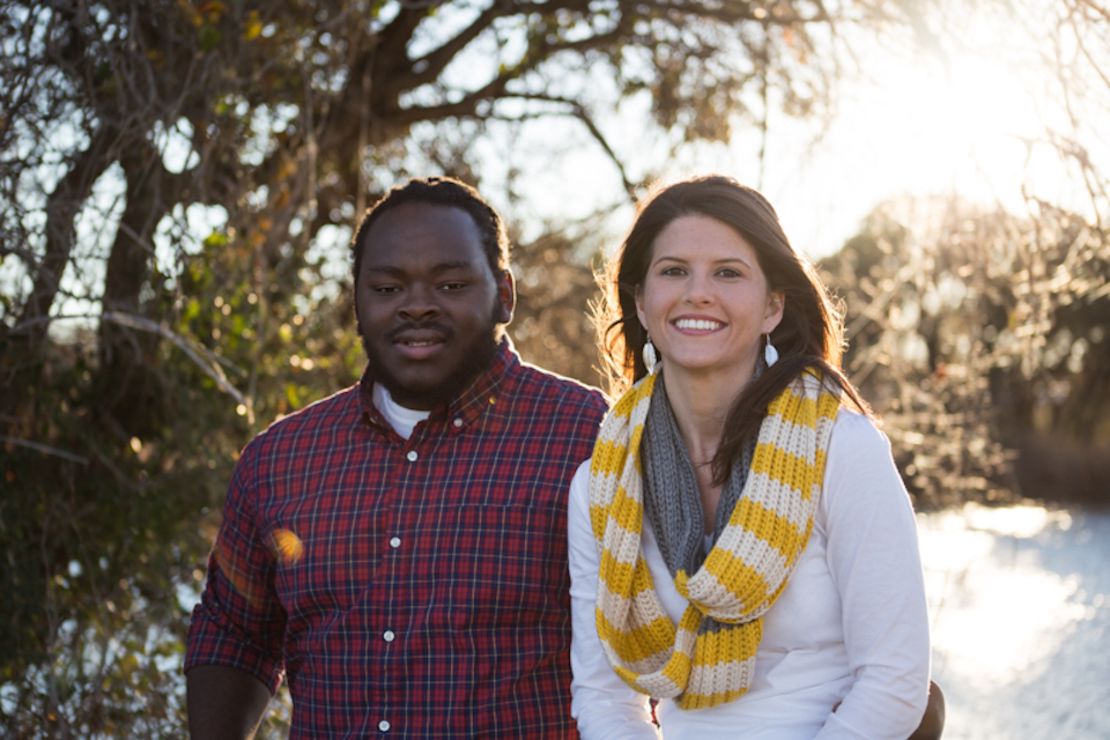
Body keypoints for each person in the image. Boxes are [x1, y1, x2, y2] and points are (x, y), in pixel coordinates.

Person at [185, 176, 608, 737]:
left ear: (503, 294)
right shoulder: (280, 460)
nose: (416, 307)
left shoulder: (591, 438)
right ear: (356, 302)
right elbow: (234, 632)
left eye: (451, 284)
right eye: (387, 289)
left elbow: (650, 650)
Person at [568, 175, 934, 738]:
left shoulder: (842, 449)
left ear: (773, 307)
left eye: (728, 272)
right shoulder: (604, 484)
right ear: (642, 303)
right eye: (673, 271)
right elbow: (603, 695)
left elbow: (894, 678)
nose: (697, 292)